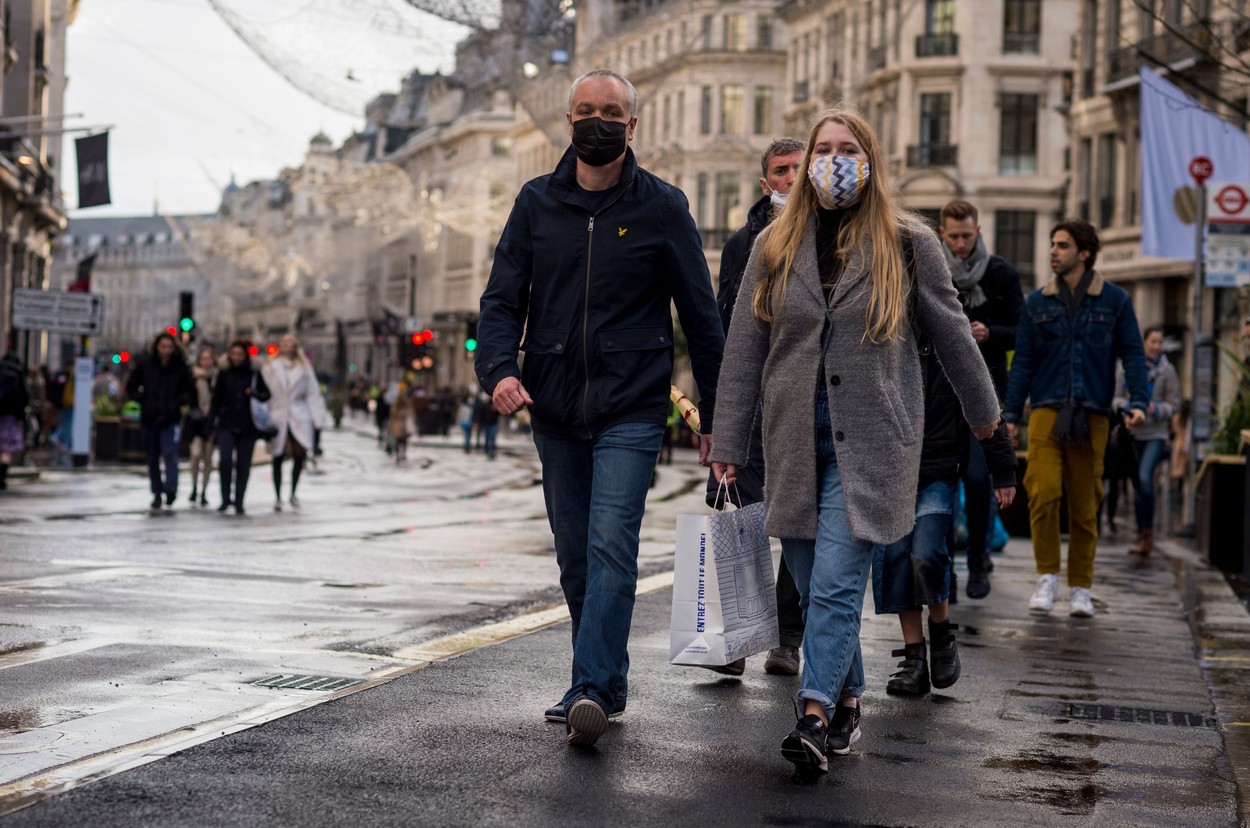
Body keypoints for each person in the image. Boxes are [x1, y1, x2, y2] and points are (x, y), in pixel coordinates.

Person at [711, 107, 1001, 775]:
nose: (833, 161)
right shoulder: (774, 244)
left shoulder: (908, 242)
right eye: (823, 149)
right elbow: (745, 348)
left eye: (847, 149)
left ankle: (813, 715)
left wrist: (989, 421)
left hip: (872, 440)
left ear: (869, 161)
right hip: (791, 438)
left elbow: (954, 335)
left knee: (837, 582)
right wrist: (728, 439)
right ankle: (848, 700)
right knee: (815, 585)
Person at [476, 68, 724, 748]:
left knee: (612, 542)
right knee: (576, 557)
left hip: (632, 407)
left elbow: (701, 319)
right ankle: (607, 682)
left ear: (632, 125)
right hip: (554, 407)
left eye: (611, 111)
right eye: (586, 110)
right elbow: (501, 300)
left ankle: (587, 687)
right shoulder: (535, 202)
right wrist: (498, 369)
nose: (597, 121)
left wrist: (717, 416)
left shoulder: (662, 207)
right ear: (569, 121)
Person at [1004, 219, 1148, 618]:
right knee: (1043, 492)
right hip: (1046, 411)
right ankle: (1047, 576)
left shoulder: (1115, 301)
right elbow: (1023, 362)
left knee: (1086, 505)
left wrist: (1139, 400)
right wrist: (1010, 414)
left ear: (1084, 253)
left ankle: (1081, 586)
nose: (1053, 251)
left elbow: (1133, 353)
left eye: (1062, 245)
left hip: (1093, 413)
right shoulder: (1036, 303)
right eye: (1053, 244)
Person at [703, 136, 807, 678]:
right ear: (766, 183)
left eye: (799, 168)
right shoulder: (743, 243)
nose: (791, 177)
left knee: (798, 521)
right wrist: (722, 418)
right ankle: (742, 634)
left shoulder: (830, 235)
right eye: (781, 170)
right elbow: (729, 334)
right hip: (751, 404)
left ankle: (787, 637)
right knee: (743, 519)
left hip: (802, 404)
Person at [873, 332, 1017, 697]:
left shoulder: (949, 336)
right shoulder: (881, 334)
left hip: (938, 469)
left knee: (926, 553)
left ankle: (941, 634)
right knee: (895, 557)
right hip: (892, 472)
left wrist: (1003, 471)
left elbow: (984, 401)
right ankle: (914, 658)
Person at [938, 199, 1023, 599]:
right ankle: (946, 574)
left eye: (967, 236)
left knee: (977, 481)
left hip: (987, 390)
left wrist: (990, 333)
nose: (960, 244)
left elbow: (1021, 332)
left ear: (979, 232)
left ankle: (977, 563)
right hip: (941, 395)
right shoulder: (933, 269)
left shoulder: (1002, 274)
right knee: (943, 484)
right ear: (942, 234)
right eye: (954, 236)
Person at [1112, 324, 1180, 556]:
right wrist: (1129, 407)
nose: (1157, 346)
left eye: (1160, 342)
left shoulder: (1168, 371)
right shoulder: (1130, 368)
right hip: (1133, 434)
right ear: (1144, 343)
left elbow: (1174, 404)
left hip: (1155, 435)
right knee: (1137, 484)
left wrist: (1156, 409)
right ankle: (1141, 534)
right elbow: (1116, 398)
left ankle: (1148, 533)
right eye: (1153, 342)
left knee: (1144, 478)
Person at [126, 332, 194, 510]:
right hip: (149, 418)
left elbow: (189, 391)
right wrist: (142, 399)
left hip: (170, 418)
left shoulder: (179, 366)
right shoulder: (145, 364)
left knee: (170, 453)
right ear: (156, 347)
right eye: (163, 347)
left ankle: (171, 488)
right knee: (152, 456)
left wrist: (177, 402)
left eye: (169, 347)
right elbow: (131, 386)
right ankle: (156, 491)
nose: (166, 350)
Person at [264, 335, 328, 511]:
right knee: (277, 455)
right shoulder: (270, 366)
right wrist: (264, 416)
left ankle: (293, 492)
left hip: (299, 415)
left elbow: (313, 394)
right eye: (284, 342)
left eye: (290, 343)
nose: (287, 345)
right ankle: (278, 496)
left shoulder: (304, 367)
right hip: (278, 414)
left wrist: (317, 419)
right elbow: (265, 392)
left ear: (295, 347)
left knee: (299, 454)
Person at [209, 340, 270, 514]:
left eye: (240, 354)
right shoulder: (223, 374)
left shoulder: (254, 373)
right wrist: (211, 425)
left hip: (248, 425)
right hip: (226, 424)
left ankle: (239, 500)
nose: (236, 358)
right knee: (225, 461)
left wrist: (254, 393)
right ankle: (225, 497)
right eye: (234, 354)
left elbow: (266, 394)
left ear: (245, 356)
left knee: (244, 464)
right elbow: (215, 401)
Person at [186, 346, 218, 507]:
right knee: (195, 454)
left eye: (209, 359)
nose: (206, 362)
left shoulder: (217, 377)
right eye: (203, 359)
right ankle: (193, 487)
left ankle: (204, 490)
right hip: (196, 423)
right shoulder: (193, 376)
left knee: (208, 459)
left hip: (211, 423)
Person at [0, 341, 30, 490]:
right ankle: (2, 474)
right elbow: (25, 395)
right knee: (6, 447)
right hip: (11, 417)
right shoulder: (18, 373)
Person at [389, 385, 413, 464]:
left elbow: (392, 416)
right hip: (404, 427)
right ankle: (403, 453)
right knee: (404, 441)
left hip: (396, 426)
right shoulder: (407, 407)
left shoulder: (395, 407)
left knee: (397, 441)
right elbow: (411, 416)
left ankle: (398, 455)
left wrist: (390, 427)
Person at [474, 391, 499, 459]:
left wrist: (496, 410)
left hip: (493, 423)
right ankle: (487, 450)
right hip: (487, 423)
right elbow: (481, 414)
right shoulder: (484, 405)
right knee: (487, 437)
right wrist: (479, 422)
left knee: (492, 437)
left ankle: (492, 450)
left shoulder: (494, 404)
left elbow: (498, 414)